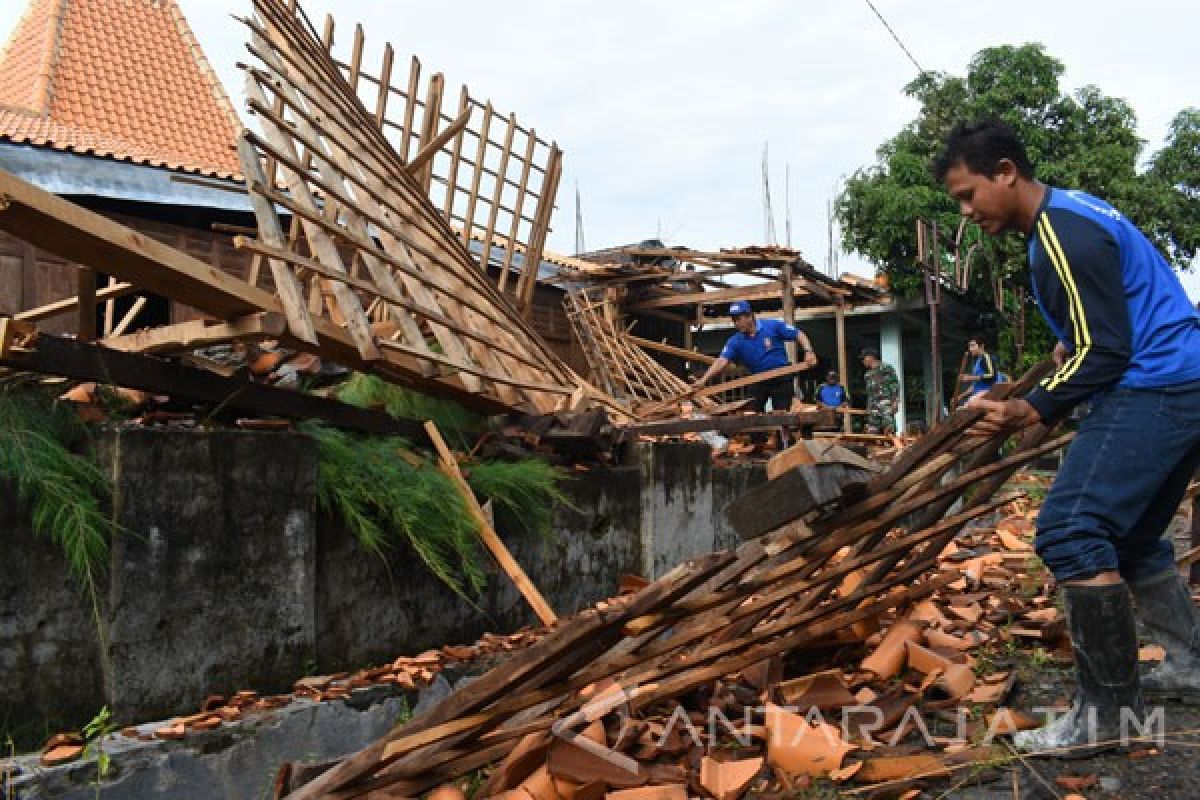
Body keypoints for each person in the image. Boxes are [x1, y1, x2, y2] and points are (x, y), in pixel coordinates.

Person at [936, 119, 1200, 755]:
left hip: (1155, 386)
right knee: (1129, 537)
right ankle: (1192, 666)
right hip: (1184, 381)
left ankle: (1107, 715)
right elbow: (1099, 324)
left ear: (1006, 171)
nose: (968, 213)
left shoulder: (1063, 235)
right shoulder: (1073, 214)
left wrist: (1032, 408)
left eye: (969, 196)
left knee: (1070, 530)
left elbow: (1105, 350)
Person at [694, 301, 818, 412]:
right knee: (751, 412)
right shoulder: (735, 341)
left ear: (750, 316)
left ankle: (782, 437)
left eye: (739, 319)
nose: (736, 323)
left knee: (782, 414)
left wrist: (809, 351)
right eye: (734, 320)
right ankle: (756, 437)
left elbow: (798, 334)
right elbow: (721, 361)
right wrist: (703, 380)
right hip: (757, 379)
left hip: (781, 377)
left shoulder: (772, 326)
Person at [860, 347, 899, 434]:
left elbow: (894, 385)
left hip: (886, 403)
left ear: (870, 357)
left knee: (889, 428)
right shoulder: (867, 374)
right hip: (873, 406)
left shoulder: (886, 368)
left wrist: (895, 402)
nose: (863, 361)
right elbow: (869, 393)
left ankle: (893, 446)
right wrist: (868, 408)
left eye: (864, 358)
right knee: (872, 430)